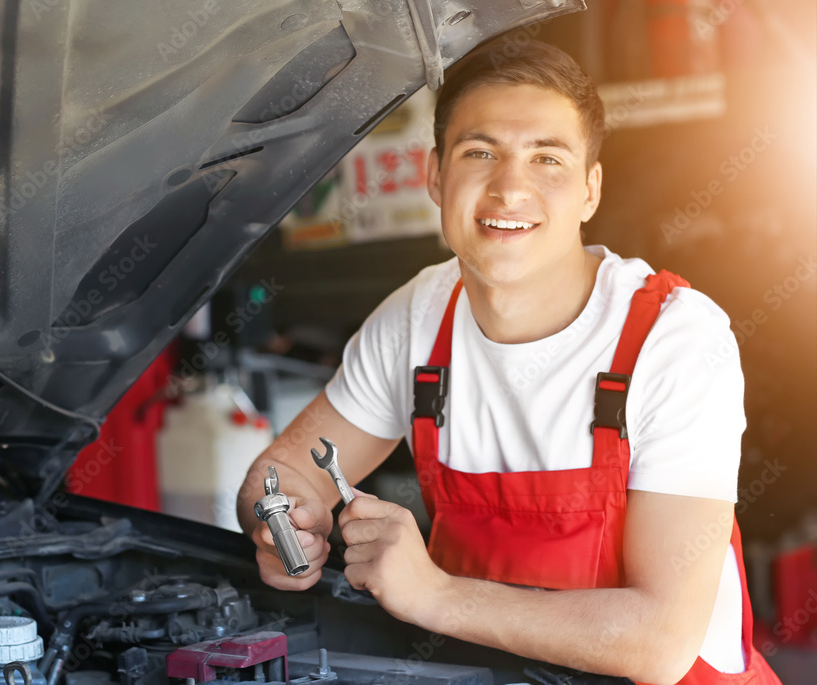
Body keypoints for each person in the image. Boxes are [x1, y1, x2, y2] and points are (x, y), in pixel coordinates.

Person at [236, 38, 781, 685]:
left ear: (589, 189)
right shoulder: (421, 317)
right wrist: (280, 523)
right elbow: (285, 472)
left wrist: (432, 593)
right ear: (435, 175)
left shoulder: (675, 338)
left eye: (547, 158)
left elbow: (658, 642)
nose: (510, 187)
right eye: (480, 152)